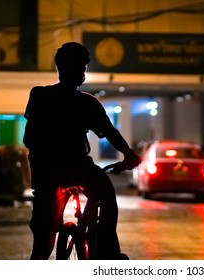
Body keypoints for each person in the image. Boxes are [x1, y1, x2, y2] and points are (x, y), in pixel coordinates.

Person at [23, 42, 141, 260]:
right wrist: (130, 156)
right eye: (81, 68)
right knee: (106, 196)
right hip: (79, 168)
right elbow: (110, 132)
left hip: (45, 172)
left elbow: (28, 139)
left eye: (84, 68)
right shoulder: (87, 103)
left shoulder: (39, 95)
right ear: (67, 68)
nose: (82, 74)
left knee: (43, 239)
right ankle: (108, 253)